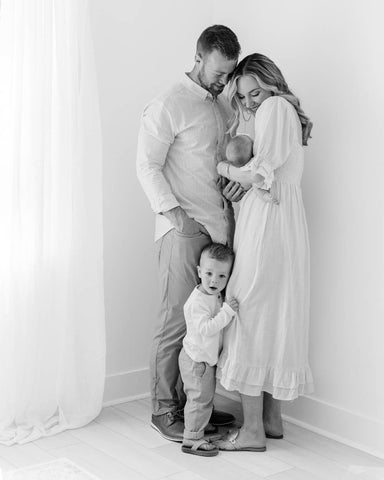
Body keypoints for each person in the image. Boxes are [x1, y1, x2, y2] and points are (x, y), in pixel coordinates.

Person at [136, 25, 244, 442]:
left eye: (228, 73)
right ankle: (165, 410)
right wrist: (176, 216)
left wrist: (232, 185)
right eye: (218, 73)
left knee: (206, 326)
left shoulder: (220, 107)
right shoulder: (168, 104)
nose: (223, 81)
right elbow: (146, 165)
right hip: (183, 231)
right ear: (198, 58)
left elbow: (213, 166)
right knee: (175, 324)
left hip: (217, 231)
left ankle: (195, 406)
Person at [215, 53, 314, 451]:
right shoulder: (283, 113)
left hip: (266, 226)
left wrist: (222, 168)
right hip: (286, 224)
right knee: (275, 314)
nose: (252, 103)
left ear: (273, 84)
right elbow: (265, 173)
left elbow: (258, 174)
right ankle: (271, 421)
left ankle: (252, 431)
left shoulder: (275, 108)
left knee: (249, 313)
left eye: (255, 93)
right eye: (245, 97)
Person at [179, 243, 239, 457]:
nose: (215, 280)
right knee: (199, 400)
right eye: (209, 273)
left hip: (202, 359)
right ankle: (192, 439)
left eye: (222, 276)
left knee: (204, 399)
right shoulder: (197, 302)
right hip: (197, 361)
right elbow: (206, 328)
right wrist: (228, 312)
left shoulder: (213, 295)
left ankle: (198, 431)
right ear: (199, 272)